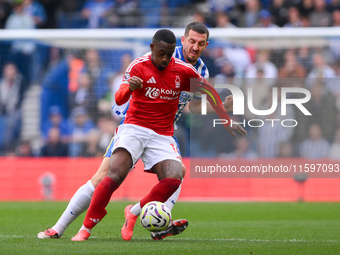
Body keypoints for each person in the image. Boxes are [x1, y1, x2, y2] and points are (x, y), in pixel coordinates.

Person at [37, 22, 238, 241]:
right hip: (135, 122)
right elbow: (123, 93)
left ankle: (158, 220)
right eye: (192, 41)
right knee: (102, 177)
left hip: (164, 129)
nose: (195, 47)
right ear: (182, 40)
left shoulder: (200, 71)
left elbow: (194, 106)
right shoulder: (157, 57)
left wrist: (222, 110)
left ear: (206, 45)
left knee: (177, 172)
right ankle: (59, 227)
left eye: (200, 44)